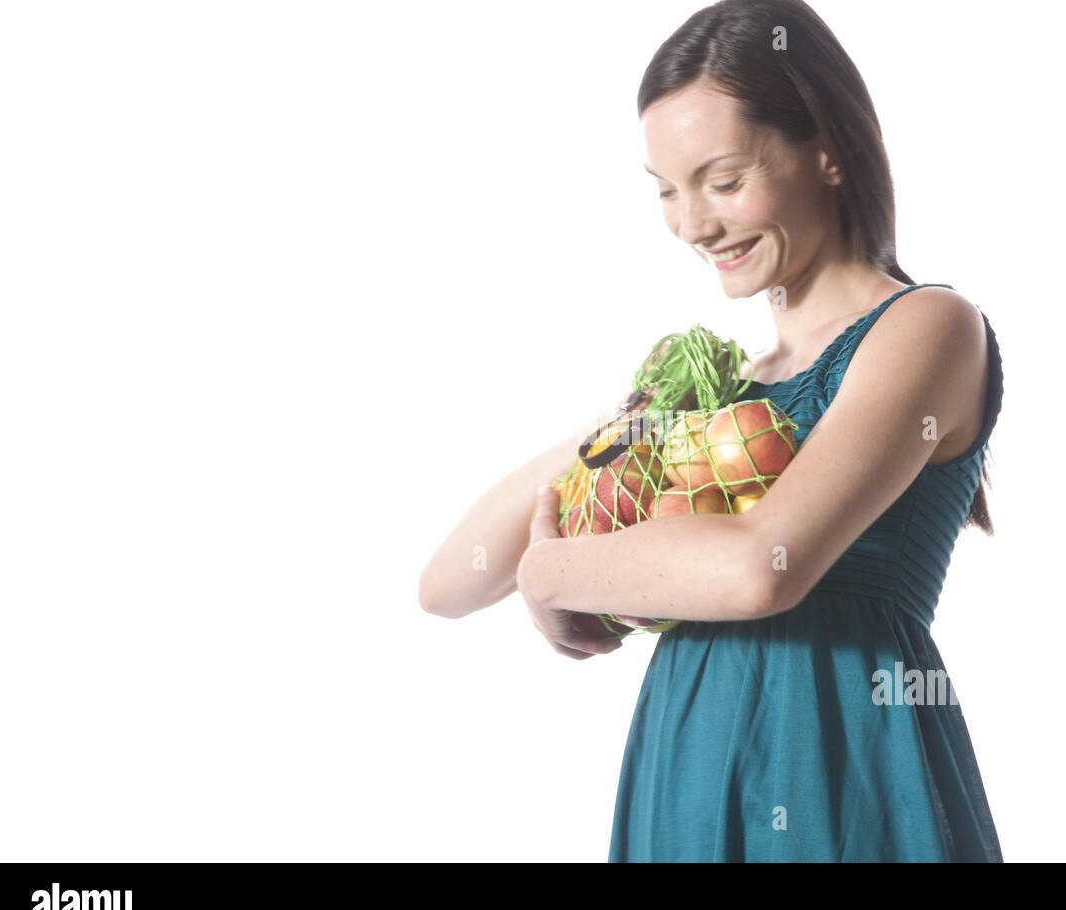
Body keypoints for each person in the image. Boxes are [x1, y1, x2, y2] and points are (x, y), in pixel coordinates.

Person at [419, 0, 1004, 861]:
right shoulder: (710, 396)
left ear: (828, 150)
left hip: (845, 767)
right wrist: (624, 430)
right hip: (687, 769)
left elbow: (757, 566)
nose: (693, 224)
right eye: (665, 190)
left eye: (723, 180)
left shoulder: (928, 328)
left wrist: (553, 569)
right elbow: (448, 583)